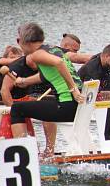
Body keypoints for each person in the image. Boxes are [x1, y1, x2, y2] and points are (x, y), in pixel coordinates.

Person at [10, 23, 85, 156]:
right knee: (43, 104)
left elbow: (59, 63)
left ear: (24, 41)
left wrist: (73, 89)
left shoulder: (37, 54)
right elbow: (48, 75)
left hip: (67, 106)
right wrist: (24, 81)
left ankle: (24, 156)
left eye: (18, 40)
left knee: (17, 109)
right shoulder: (52, 48)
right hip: (76, 106)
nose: (17, 43)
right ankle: (48, 151)